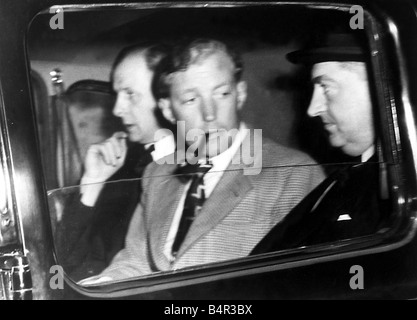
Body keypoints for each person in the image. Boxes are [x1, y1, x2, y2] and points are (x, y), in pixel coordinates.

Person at [80, 38, 325, 283]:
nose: (210, 115)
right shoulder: (157, 173)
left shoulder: (294, 173)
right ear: (167, 110)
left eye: (222, 94)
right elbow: (135, 261)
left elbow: (297, 284)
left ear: (240, 94)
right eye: (191, 99)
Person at [251, 31, 392, 254]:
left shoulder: (395, 185)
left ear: (377, 88)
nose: (312, 109)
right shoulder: (345, 178)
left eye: (326, 87)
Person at [57, 43, 176, 280]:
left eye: (130, 94)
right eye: (117, 94)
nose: (117, 109)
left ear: (167, 99)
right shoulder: (122, 167)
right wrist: (93, 181)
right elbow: (64, 263)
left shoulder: (201, 166)